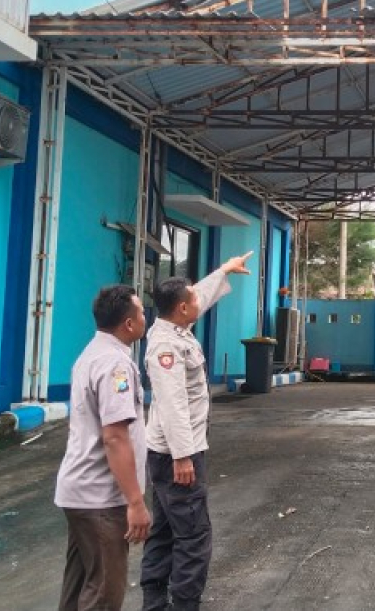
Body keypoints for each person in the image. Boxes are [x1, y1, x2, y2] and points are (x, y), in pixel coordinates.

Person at [140, 251, 253, 611]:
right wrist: (183, 456)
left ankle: (154, 603)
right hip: (176, 456)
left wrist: (224, 270)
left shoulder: (175, 325)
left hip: (169, 453)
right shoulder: (166, 346)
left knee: (164, 530)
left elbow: (199, 295)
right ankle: (184, 604)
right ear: (182, 309)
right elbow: (172, 405)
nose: (198, 302)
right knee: (193, 536)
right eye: (192, 300)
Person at [55, 284, 152, 611]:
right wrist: (135, 502)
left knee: (79, 587)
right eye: (141, 313)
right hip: (100, 499)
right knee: (104, 596)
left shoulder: (91, 355)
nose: (145, 318)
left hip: (80, 492)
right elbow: (115, 436)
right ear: (129, 323)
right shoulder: (114, 365)